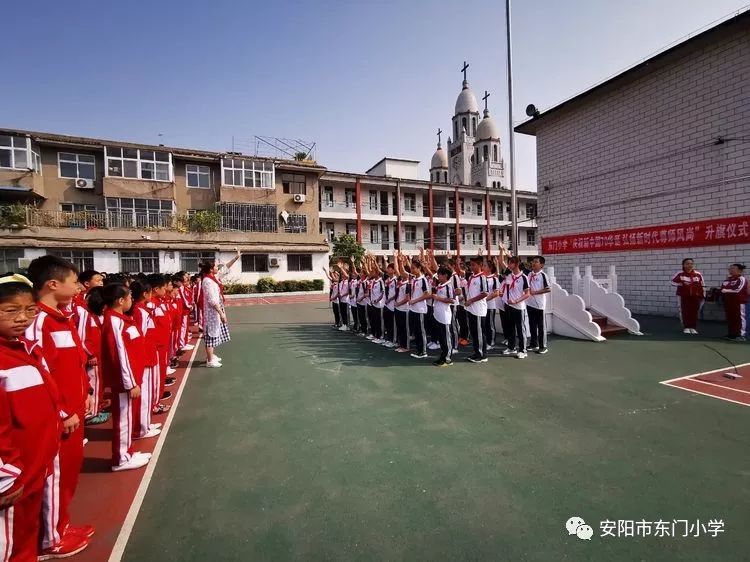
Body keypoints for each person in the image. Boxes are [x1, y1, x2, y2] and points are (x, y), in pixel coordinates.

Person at [0, 274, 74, 561]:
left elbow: (50, 394)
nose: (22, 318)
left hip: (34, 467)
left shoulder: (27, 350)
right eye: (10, 311)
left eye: (29, 310)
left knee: (26, 538)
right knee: (9, 546)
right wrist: (5, 478)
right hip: (13, 477)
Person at [24, 256, 94, 558]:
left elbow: (73, 362)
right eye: (73, 281)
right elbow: (39, 369)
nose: (78, 287)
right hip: (59, 416)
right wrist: (63, 411)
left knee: (68, 471)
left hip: (75, 410)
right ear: (53, 284)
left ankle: (60, 524)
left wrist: (87, 391)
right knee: (53, 475)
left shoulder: (62, 318)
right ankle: (49, 539)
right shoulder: (38, 321)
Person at [99, 284, 158, 472]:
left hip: (130, 378)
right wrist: (130, 383)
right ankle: (121, 459)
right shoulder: (113, 321)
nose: (132, 300)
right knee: (123, 420)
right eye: (129, 297)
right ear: (120, 300)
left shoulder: (120, 319)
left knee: (128, 416)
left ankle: (128, 451)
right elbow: (119, 354)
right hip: (124, 382)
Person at [129, 280, 163, 436]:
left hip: (148, 356)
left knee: (147, 393)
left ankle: (145, 423)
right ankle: (142, 428)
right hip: (145, 358)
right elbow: (140, 337)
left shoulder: (141, 310)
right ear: (145, 293)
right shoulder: (139, 312)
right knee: (144, 394)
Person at [201, 250, 241, 367]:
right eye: (215, 266)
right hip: (212, 311)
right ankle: (209, 360)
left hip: (216, 309)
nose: (218, 267)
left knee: (214, 332)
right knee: (210, 335)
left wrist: (235, 258)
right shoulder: (207, 281)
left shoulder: (213, 277)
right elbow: (212, 300)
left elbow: (225, 268)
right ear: (210, 269)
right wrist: (221, 313)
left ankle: (211, 356)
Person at [78, 287, 109, 426]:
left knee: (98, 382)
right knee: (94, 382)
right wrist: (90, 354)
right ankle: (92, 413)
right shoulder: (86, 315)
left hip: (98, 355)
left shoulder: (94, 316)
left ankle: (97, 407)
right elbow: (82, 338)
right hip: (93, 357)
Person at [502, 256, 531, 359]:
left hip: (518, 307)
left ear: (516, 264)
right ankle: (511, 347)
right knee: (510, 328)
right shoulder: (509, 276)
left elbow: (528, 293)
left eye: (511, 263)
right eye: (508, 263)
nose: (509, 265)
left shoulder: (524, 277)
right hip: (508, 306)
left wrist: (516, 301)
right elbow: (501, 264)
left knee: (520, 328)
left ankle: (523, 350)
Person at [463, 257, 489, 363]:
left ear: (480, 265)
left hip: (478, 309)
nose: (472, 267)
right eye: (471, 265)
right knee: (474, 333)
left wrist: (471, 300)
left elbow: (485, 293)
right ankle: (476, 352)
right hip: (471, 309)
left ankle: (482, 355)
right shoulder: (471, 277)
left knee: (479, 333)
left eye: (474, 265)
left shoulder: (482, 277)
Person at [671, 258, 705, 335]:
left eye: (691, 264)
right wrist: (681, 284)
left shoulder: (698, 274)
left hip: (695, 296)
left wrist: (703, 295)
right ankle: (686, 327)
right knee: (684, 311)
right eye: (687, 263)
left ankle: (693, 327)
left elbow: (702, 285)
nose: (689, 265)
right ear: (683, 265)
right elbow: (672, 281)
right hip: (683, 296)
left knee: (694, 312)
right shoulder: (680, 273)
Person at [431, 266, 455, 367]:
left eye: (439, 274)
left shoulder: (448, 286)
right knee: (441, 338)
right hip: (438, 314)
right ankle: (443, 356)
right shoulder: (440, 285)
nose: (438, 277)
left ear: (445, 275)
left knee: (446, 338)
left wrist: (438, 298)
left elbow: (452, 300)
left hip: (444, 315)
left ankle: (447, 358)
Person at [527, 256, 551, 354]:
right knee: (532, 325)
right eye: (533, 262)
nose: (533, 263)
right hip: (530, 304)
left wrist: (535, 292)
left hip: (539, 305)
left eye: (536, 262)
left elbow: (548, 289)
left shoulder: (543, 275)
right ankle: (533, 344)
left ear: (541, 265)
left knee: (541, 327)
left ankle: (543, 346)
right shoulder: (529, 274)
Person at [408, 260, 430, 359]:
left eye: (413, 268)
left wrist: (415, 300)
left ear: (419, 268)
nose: (412, 270)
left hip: (420, 309)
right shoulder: (414, 280)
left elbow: (427, 294)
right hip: (413, 309)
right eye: (411, 268)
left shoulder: (423, 280)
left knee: (421, 331)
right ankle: (419, 350)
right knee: (416, 331)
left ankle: (423, 351)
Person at [721, 263, 747, 342]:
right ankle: (732, 334)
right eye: (730, 268)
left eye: (733, 268)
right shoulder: (727, 280)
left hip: (738, 302)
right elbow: (722, 289)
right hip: (728, 303)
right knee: (730, 319)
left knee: (739, 318)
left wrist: (726, 290)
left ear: (739, 270)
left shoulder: (741, 279)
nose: (730, 270)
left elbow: (738, 290)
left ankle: (741, 335)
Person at [393, 252, 411, 353]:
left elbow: (407, 298)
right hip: (398, 308)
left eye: (403, 271)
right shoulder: (400, 282)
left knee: (405, 329)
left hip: (404, 309)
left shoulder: (408, 284)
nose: (401, 273)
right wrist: (396, 258)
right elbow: (397, 270)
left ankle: (406, 346)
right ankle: (401, 344)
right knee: (400, 327)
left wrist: (398, 304)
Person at [382, 262, 398, 348]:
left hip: (392, 305)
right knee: (387, 323)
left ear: (394, 270)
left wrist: (390, 299)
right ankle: (389, 339)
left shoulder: (395, 280)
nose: (387, 270)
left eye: (389, 268)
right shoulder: (388, 280)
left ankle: (394, 340)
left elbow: (397, 293)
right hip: (386, 305)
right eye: (387, 268)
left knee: (392, 324)